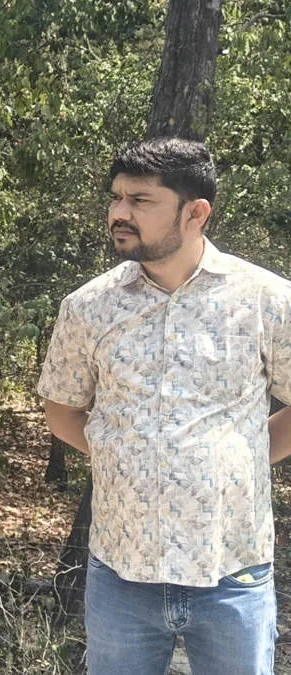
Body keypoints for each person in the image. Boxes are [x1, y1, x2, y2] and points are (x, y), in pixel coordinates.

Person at [39, 138, 291, 675]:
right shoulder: (88, 307)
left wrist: (237, 458)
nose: (119, 213)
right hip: (121, 579)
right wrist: (126, 453)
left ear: (195, 212)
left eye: (140, 201)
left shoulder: (267, 301)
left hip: (233, 573)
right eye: (116, 198)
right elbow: (62, 412)